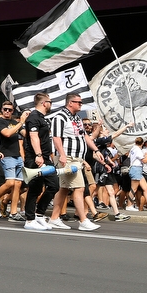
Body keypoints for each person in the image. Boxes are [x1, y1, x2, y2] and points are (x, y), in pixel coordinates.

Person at [49, 94, 101, 231]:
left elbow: (84, 136)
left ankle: (54, 218)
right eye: (78, 102)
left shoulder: (77, 118)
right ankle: (83, 220)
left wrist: (95, 150)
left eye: (81, 103)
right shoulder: (60, 117)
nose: (81, 105)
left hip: (77, 158)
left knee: (64, 189)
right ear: (70, 103)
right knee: (79, 188)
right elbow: (56, 137)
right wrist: (62, 154)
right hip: (68, 158)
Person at [21, 93, 57, 231]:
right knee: (35, 188)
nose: (51, 104)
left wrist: (49, 156)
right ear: (44, 103)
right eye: (50, 101)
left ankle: (39, 214)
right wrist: (38, 155)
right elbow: (33, 136)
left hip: (46, 157)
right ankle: (29, 220)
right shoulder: (34, 117)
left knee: (54, 185)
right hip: (35, 157)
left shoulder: (43, 118)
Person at [0, 102, 28, 221]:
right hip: (7, 155)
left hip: (17, 156)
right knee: (10, 183)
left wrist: (29, 121)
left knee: (18, 185)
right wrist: (21, 122)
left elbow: (25, 134)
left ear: (12, 111)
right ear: (2, 110)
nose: (7, 111)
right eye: (5, 109)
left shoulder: (15, 122)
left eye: (10, 110)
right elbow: (7, 133)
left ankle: (13, 212)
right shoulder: (0, 121)